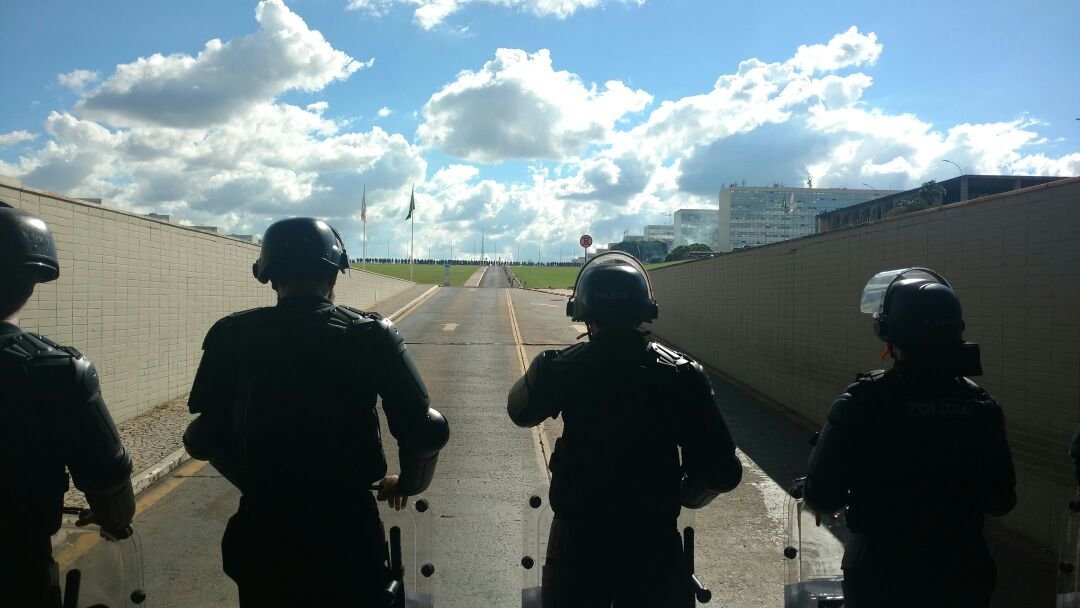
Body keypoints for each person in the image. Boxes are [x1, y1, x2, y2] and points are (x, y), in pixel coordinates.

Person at [183, 217, 449, 607]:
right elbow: (425, 429)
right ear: (334, 276)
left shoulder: (232, 335)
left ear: (269, 277)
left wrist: (255, 482)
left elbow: (202, 437)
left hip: (263, 530)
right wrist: (408, 483)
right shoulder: (370, 335)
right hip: (346, 530)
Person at [507, 251, 743, 608]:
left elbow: (520, 412)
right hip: (655, 545)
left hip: (577, 545)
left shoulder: (562, 368)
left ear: (583, 310)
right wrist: (684, 496)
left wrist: (545, 368)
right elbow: (721, 471)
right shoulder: (683, 374)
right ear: (644, 309)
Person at [804, 267, 1016, 608]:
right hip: (964, 570)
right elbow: (1001, 500)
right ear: (956, 330)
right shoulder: (980, 405)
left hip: (883, 573)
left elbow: (823, 496)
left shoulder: (862, 402)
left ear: (889, 331)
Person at [0, 206, 135, 608]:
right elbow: (111, 488)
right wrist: (112, 517)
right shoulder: (53, 370)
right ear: (32, 278)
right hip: (17, 568)